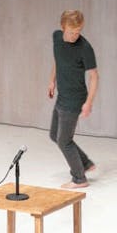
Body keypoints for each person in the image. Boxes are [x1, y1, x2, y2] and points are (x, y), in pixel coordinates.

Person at [47, 10, 99, 188]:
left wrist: (89, 102)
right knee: (55, 135)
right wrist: (52, 80)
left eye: (78, 31)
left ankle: (79, 178)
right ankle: (84, 163)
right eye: (71, 32)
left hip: (75, 99)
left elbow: (94, 76)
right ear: (63, 28)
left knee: (64, 140)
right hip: (63, 95)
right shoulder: (56, 38)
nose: (75, 35)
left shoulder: (85, 48)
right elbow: (58, 59)